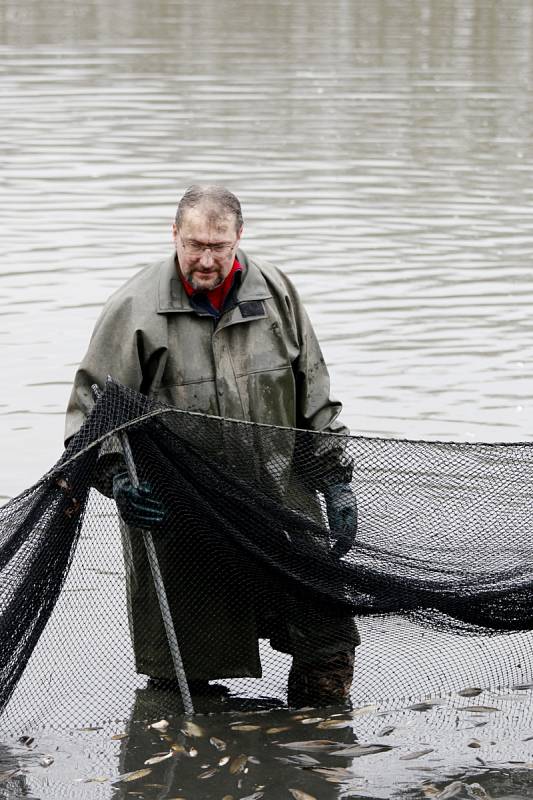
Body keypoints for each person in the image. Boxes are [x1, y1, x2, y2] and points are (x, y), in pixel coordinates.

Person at [65, 184, 359, 707]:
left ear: (238, 238)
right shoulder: (134, 308)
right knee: (183, 673)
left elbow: (314, 393)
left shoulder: (277, 293)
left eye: (218, 246)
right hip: (179, 513)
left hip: (278, 498)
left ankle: (316, 750)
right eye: (194, 244)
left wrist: (335, 480)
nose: (205, 259)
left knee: (328, 636)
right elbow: (91, 417)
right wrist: (118, 482)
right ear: (173, 234)